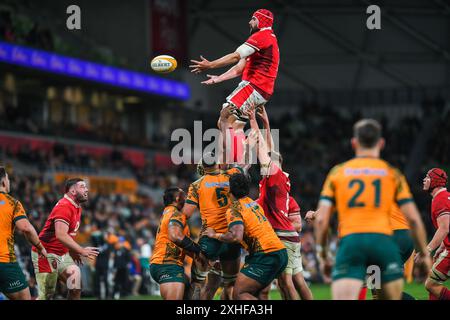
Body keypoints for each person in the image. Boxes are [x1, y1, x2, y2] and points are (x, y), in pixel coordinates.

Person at [306, 119, 431, 300]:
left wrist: (323, 257)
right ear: (381, 143)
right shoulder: (392, 173)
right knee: (379, 292)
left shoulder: (338, 173)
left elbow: (322, 220)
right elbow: (413, 219)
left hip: (356, 240)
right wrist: (425, 255)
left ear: (354, 143)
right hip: (391, 240)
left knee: (361, 291)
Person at [190, 8, 280, 163]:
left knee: (224, 119)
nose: (249, 22)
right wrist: (218, 79)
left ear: (261, 20)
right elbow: (240, 67)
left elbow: (235, 56)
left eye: (253, 19)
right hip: (260, 90)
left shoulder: (261, 37)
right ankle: (236, 164)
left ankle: (232, 164)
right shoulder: (267, 40)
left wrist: (210, 65)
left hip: (254, 87)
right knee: (234, 126)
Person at [245, 107, 313, 300]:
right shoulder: (279, 175)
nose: (263, 159)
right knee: (290, 283)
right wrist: (265, 122)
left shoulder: (272, 175)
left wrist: (252, 121)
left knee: (286, 283)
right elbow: (269, 149)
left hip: (281, 235)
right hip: (286, 234)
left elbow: (261, 147)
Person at [202, 173, 287, 300]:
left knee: (239, 294)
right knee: (258, 293)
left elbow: (236, 237)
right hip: (280, 252)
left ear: (230, 190)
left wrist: (215, 235)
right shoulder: (254, 204)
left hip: (265, 255)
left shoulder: (234, 209)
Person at [31, 178, 99, 300]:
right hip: (45, 253)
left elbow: (69, 234)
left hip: (61, 254)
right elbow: (61, 235)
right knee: (46, 295)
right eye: (83, 186)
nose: (87, 189)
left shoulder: (76, 207)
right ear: (73, 191)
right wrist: (80, 250)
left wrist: (72, 251)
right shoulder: (64, 206)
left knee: (75, 286)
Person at [0, 166, 47, 300]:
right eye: (8, 179)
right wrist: (40, 247)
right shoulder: (12, 203)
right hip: (4, 263)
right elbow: (26, 228)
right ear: (4, 182)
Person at [150, 187, 202, 300]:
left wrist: (201, 257)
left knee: (190, 290)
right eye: (185, 195)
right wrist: (198, 250)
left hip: (165, 264)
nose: (187, 198)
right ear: (178, 198)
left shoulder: (168, 212)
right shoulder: (176, 214)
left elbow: (182, 244)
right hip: (167, 265)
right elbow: (175, 236)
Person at [421, 168, 450, 300]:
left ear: (435, 181)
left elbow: (444, 228)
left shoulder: (440, 199)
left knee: (431, 284)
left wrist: (427, 250)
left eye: (427, 177)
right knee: (433, 283)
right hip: (448, 248)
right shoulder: (444, 197)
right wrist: (442, 247)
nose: (424, 180)